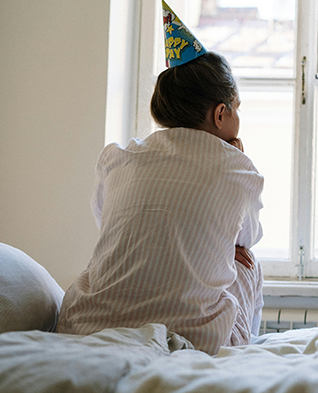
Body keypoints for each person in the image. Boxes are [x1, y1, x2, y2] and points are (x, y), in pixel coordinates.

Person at [57, 48, 265, 356]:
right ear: (220, 114)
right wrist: (237, 157)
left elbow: (106, 222)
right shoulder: (237, 166)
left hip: (86, 326)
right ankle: (242, 357)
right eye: (236, 108)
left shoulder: (118, 157)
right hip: (194, 338)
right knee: (246, 261)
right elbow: (248, 237)